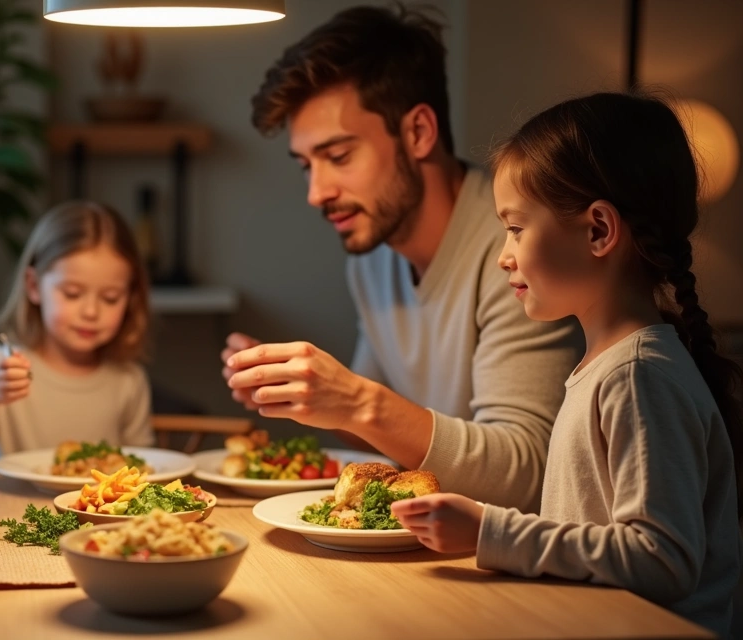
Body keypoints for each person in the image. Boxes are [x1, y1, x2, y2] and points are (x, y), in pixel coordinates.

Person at [390, 92, 742, 637]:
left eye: (516, 228)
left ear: (599, 230)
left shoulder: (638, 377)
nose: (505, 255)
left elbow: (662, 560)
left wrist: (491, 531)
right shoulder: (606, 368)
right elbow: (588, 535)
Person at [221, 4, 583, 510]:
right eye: (306, 165)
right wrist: (301, 394)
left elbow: (527, 474)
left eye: (339, 156)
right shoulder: (373, 257)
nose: (317, 192)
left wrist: (355, 401)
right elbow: (386, 440)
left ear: (418, 132)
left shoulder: (514, 250)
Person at [0, 201, 155, 461]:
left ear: (131, 298)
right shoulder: (7, 367)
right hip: (6, 502)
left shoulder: (128, 380)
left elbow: (142, 461)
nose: (91, 312)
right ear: (34, 286)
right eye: (72, 294)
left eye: (110, 298)